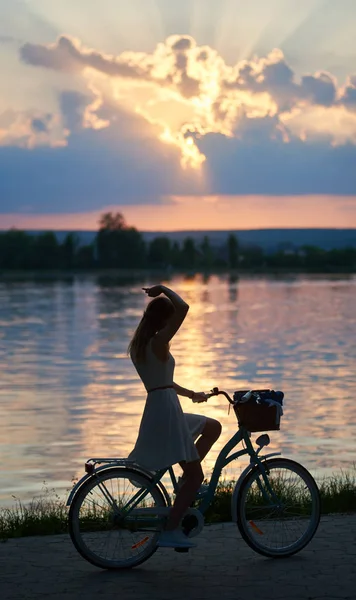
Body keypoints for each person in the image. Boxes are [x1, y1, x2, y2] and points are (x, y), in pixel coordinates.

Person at [127, 284, 222, 549]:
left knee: (213, 427)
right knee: (196, 476)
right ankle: (171, 529)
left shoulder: (141, 345)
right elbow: (184, 308)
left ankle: (183, 486)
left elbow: (161, 382)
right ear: (164, 320)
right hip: (165, 411)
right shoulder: (158, 342)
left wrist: (192, 393)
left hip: (162, 404)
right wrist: (163, 289)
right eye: (170, 319)